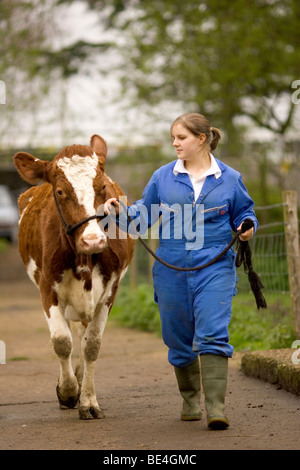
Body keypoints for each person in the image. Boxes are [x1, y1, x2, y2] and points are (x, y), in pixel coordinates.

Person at [104, 112, 258, 430]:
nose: (175, 143)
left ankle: (216, 407)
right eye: (173, 137)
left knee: (213, 332)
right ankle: (190, 399)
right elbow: (141, 217)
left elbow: (244, 211)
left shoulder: (230, 178)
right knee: (178, 338)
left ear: (201, 140)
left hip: (214, 266)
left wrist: (247, 227)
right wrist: (113, 211)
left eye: (181, 137)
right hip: (170, 268)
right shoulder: (162, 177)